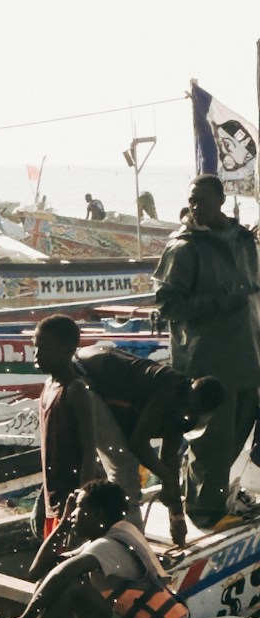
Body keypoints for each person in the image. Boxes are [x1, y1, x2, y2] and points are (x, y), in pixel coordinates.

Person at [0, 480, 190, 618]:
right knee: (49, 587)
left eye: (78, 507)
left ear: (97, 514)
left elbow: (63, 573)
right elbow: (38, 571)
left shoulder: (109, 546)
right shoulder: (107, 537)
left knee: (73, 589)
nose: (73, 513)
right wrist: (64, 524)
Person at [155, 175, 260, 530]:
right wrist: (218, 303)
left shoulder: (244, 240)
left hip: (248, 356)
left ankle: (203, 493)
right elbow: (167, 303)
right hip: (207, 362)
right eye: (192, 199)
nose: (196, 206)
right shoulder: (183, 247)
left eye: (202, 199)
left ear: (222, 199)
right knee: (210, 440)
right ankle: (204, 511)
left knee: (237, 434)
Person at [74, 342, 224, 545]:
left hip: (98, 373)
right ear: (188, 390)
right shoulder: (169, 391)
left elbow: (169, 460)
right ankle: (130, 546)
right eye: (186, 408)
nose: (184, 414)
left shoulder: (185, 412)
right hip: (83, 375)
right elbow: (138, 443)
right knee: (124, 464)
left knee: (116, 465)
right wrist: (166, 478)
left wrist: (176, 516)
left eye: (190, 414)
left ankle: (118, 535)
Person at [32, 315, 144, 552]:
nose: (37, 356)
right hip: (54, 500)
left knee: (69, 563)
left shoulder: (76, 390)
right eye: (36, 348)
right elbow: (48, 454)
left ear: (68, 350)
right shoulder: (47, 388)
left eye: (44, 349)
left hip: (72, 502)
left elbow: (88, 453)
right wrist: (42, 502)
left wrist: (79, 507)